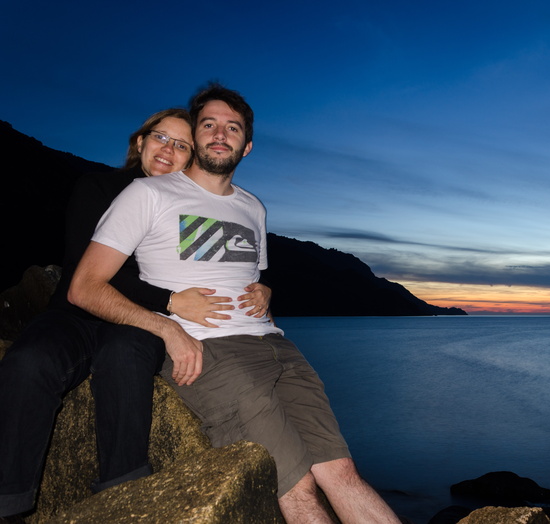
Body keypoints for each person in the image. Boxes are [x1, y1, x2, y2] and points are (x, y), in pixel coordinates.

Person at [68, 84, 401, 523]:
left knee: (341, 472)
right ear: (196, 136)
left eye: (232, 127)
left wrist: (267, 295)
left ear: (247, 146)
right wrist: (167, 328)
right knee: (296, 486)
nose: (219, 134)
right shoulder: (148, 194)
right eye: (209, 124)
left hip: (279, 349)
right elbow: (85, 287)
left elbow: (249, 279)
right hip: (213, 352)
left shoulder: (252, 207)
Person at [0, 108, 271, 522]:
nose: (168, 150)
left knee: (124, 359)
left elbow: (220, 260)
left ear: (193, 156)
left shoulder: (187, 202)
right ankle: (9, 503)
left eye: (181, 145)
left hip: (139, 321)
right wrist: (170, 302)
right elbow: (87, 276)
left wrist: (260, 288)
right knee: (29, 361)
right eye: (160, 137)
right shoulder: (99, 187)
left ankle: (122, 496)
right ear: (140, 142)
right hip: (79, 313)